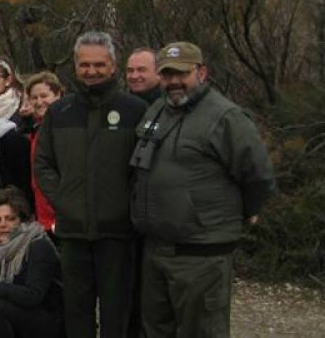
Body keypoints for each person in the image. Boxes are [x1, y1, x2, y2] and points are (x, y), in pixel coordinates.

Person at [131, 42, 276, 338]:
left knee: (202, 332)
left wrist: (244, 213)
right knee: (155, 330)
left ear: (202, 72)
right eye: (167, 74)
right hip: (156, 249)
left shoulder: (226, 117)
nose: (173, 81)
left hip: (201, 255)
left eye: (181, 74)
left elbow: (259, 176)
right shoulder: (158, 109)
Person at [34, 30, 147, 338]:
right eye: (85, 65)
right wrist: (64, 201)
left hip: (118, 234)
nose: (92, 71)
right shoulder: (60, 112)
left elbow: (145, 170)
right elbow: (42, 164)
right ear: (75, 65)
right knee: (77, 313)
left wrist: (128, 204)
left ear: (112, 65)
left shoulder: (134, 110)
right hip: (73, 233)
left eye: (99, 64)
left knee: (117, 316)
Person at [0, 189, 63, 338]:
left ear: (23, 221)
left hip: (47, 321)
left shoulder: (38, 245)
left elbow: (33, 296)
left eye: (10, 218)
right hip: (17, 318)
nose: (3, 224)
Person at [22, 72, 63, 232]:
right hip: (42, 212)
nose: (39, 102)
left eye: (44, 96)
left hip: (59, 213)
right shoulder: (36, 128)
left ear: (58, 95)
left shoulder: (62, 128)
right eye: (34, 97)